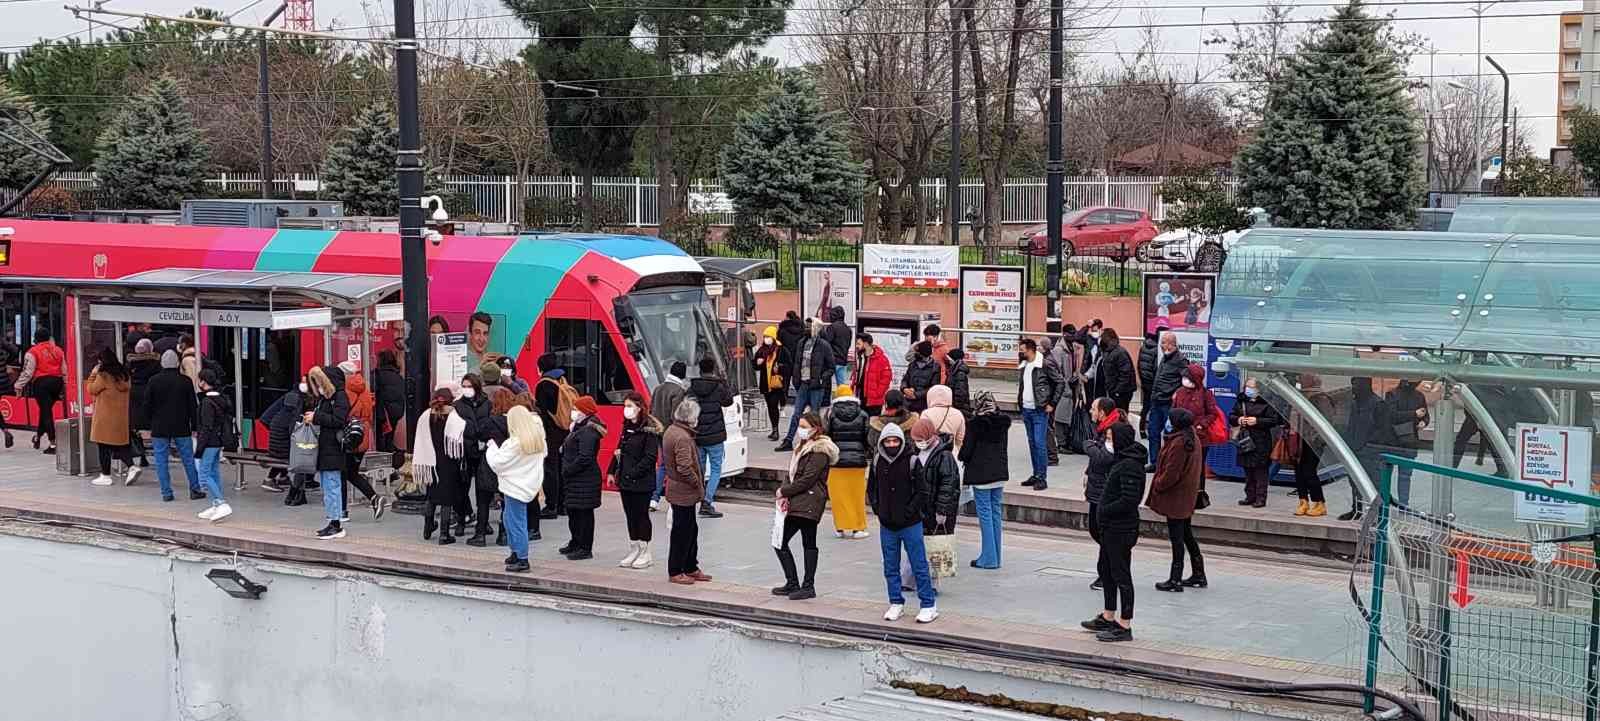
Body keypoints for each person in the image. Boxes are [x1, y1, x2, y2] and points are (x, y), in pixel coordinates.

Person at [868, 422, 938, 623]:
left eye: (895, 440)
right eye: (888, 441)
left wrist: (909, 511)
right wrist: (878, 509)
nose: (891, 444)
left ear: (901, 441)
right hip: (887, 524)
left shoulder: (913, 461)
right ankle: (896, 602)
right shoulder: (877, 462)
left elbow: (922, 491)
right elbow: (872, 488)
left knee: (919, 565)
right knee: (890, 566)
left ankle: (928, 604)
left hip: (910, 524)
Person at [1083, 421, 1145, 643]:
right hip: (1110, 528)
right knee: (1106, 570)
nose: (1107, 441)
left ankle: (1124, 623)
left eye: (1110, 437)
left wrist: (1104, 509)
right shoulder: (1121, 460)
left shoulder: (1130, 465)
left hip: (1121, 528)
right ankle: (1109, 615)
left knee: (1121, 574)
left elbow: (1129, 500)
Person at [775, 412, 836, 600]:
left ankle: (806, 585)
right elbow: (792, 474)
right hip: (800, 501)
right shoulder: (802, 447)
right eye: (799, 426)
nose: (800, 430)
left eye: (804, 426)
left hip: (809, 501)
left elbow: (807, 479)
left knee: (795, 542)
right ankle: (794, 583)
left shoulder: (820, 450)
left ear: (815, 428)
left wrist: (784, 492)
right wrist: (786, 490)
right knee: (784, 542)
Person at [1147, 407, 1205, 592]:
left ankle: (1175, 579)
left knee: (1177, 538)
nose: (1167, 423)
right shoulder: (1191, 438)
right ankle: (1198, 573)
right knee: (1186, 534)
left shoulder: (1179, 443)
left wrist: (1158, 484)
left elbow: (1172, 473)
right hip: (1186, 496)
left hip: (1176, 497)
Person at [487, 405, 548, 573]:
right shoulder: (536, 440)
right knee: (511, 519)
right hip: (527, 485)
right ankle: (515, 552)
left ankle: (522, 557)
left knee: (515, 522)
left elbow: (497, 462)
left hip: (513, 486)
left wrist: (492, 447)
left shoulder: (514, 443)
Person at [610, 392, 661, 569]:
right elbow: (619, 449)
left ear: (639, 408)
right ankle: (634, 547)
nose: (626, 410)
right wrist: (611, 471)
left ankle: (646, 551)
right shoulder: (627, 427)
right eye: (625, 406)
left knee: (641, 515)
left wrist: (632, 473)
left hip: (642, 482)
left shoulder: (649, 430)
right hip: (625, 481)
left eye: (630, 406)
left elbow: (650, 457)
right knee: (630, 515)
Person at [664, 397, 712, 584]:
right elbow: (684, 467)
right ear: (690, 418)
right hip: (683, 491)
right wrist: (697, 483)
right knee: (682, 531)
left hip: (680, 491)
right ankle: (676, 570)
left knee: (691, 529)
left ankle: (691, 566)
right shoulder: (682, 437)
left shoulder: (673, 430)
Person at [961, 391, 1011, 569]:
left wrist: (961, 457)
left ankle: (988, 558)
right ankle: (996, 555)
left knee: (985, 515)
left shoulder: (975, 424)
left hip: (981, 475)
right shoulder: (1003, 423)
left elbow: (966, 451)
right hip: (999, 474)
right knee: (996, 513)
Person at [146, 350, 202, 502]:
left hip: (159, 427)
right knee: (188, 459)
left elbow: (147, 406)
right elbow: (193, 406)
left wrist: (150, 422)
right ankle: (195, 489)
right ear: (177, 363)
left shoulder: (153, 381)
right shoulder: (185, 381)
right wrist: (195, 427)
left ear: (162, 363)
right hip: (181, 427)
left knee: (161, 461)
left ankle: (166, 493)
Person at [413, 388, 467, 543]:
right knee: (446, 499)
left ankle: (428, 527)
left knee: (431, 496)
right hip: (448, 463)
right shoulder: (453, 416)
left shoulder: (425, 415)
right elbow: (460, 437)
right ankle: (444, 534)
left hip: (430, 462)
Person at [304, 366, 352, 538]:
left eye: (320, 381)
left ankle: (335, 523)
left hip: (333, 448)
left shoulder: (339, 397)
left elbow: (339, 420)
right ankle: (332, 520)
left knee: (332, 486)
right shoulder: (327, 399)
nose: (318, 386)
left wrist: (316, 418)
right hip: (326, 448)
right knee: (328, 486)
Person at [911, 417, 960, 580]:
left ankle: (931, 581)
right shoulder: (917, 452)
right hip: (921, 508)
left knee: (934, 546)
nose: (918, 442)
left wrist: (941, 510)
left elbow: (948, 486)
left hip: (935, 508)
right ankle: (914, 578)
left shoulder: (944, 456)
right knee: (920, 545)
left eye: (920, 439)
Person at [1081, 397, 1123, 591]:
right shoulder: (1104, 428)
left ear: (1103, 412)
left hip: (1105, 490)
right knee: (1096, 530)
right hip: (1097, 487)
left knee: (1102, 533)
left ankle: (1106, 574)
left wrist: (1088, 446)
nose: (1091, 412)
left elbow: (1105, 457)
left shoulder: (1112, 430)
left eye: (1093, 409)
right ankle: (1109, 570)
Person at [339, 364, 388, 522]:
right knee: (351, 472)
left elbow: (343, 412)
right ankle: (374, 498)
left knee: (342, 473)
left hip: (349, 434)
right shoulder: (365, 388)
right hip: (363, 433)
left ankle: (342, 511)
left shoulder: (345, 389)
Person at [778, 318, 834, 452]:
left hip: (816, 385)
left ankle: (813, 441)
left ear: (815, 328)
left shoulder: (824, 345)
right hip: (803, 383)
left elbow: (831, 367)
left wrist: (821, 379)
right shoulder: (801, 343)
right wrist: (796, 379)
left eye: (809, 327)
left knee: (814, 415)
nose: (806, 329)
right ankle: (788, 440)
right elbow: (797, 363)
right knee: (797, 413)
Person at [688, 356, 735, 518]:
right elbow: (728, 402)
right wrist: (724, 383)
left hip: (698, 435)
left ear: (700, 370)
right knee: (716, 470)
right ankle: (707, 502)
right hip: (715, 436)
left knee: (699, 469)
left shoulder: (693, 387)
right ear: (713, 369)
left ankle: (699, 497)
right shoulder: (719, 386)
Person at [560, 395, 605, 560]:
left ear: (584, 411)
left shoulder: (588, 431)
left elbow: (585, 457)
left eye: (576, 409)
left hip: (584, 479)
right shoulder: (579, 427)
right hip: (576, 479)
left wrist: (568, 470)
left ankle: (585, 547)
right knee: (574, 512)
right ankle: (575, 542)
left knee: (584, 514)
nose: (573, 412)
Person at [87, 348, 139, 487]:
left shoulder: (103, 375)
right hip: (120, 418)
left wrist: (93, 373)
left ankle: (105, 475)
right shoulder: (124, 375)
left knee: (103, 446)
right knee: (118, 446)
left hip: (104, 418)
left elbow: (91, 389)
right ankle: (132, 467)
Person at [1228, 377, 1283, 508]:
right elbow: (1231, 416)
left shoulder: (1268, 403)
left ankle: (1260, 498)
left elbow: (1274, 420)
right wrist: (1239, 419)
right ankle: (1249, 496)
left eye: (1252, 387)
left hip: (1261, 440)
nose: (1249, 389)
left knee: (1260, 471)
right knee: (1248, 470)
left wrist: (1257, 421)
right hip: (1245, 439)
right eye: (1247, 386)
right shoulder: (1241, 400)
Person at [1017, 338, 1063, 490]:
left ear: (1030, 350)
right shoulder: (1025, 365)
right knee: (1032, 443)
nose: (1020, 352)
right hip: (1027, 409)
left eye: (1022, 349)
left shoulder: (1044, 364)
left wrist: (1052, 403)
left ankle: (1042, 477)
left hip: (1039, 410)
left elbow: (1060, 382)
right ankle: (1036, 474)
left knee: (1039, 443)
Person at [453, 372, 494, 542]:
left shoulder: (488, 404)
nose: (466, 389)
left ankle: (482, 525)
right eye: (464, 386)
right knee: (462, 488)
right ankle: (461, 520)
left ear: (476, 387)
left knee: (483, 491)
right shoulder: (458, 405)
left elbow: (491, 423)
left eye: (469, 386)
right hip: (465, 451)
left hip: (484, 452)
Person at [193, 369, 235, 523]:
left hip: (209, 442)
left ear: (203, 382)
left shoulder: (206, 402)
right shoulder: (222, 398)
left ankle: (220, 502)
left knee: (203, 474)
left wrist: (199, 449)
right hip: (219, 441)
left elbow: (206, 427)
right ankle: (216, 504)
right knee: (214, 472)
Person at [1291, 374, 1335, 518]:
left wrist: (1316, 440)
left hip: (1312, 441)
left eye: (1303, 378)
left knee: (1309, 471)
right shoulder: (1298, 396)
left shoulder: (1321, 398)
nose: (1300, 381)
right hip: (1298, 439)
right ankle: (1303, 501)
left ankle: (1319, 502)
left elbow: (1326, 421)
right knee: (1298, 471)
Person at [16, 327, 66, 454]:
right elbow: (64, 369)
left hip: (41, 384)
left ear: (36, 338)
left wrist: (19, 385)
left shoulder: (32, 351)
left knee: (46, 412)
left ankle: (53, 444)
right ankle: (37, 437)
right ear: (49, 337)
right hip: (57, 383)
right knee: (45, 411)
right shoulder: (58, 350)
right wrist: (65, 385)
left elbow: (28, 372)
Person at [1383, 379, 1431, 506]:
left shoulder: (1417, 396)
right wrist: (1415, 415)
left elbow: (1426, 415)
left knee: (1393, 475)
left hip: (1401, 441)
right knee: (1402, 476)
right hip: (1400, 441)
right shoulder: (1394, 394)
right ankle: (1401, 504)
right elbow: (1391, 416)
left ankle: (1398, 504)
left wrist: (1424, 422)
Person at [648, 360, 689, 509]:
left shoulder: (658, 389)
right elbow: (675, 416)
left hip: (657, 432)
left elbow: (651, 411)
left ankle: (654, 497)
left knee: (662, 465)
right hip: (670, 434)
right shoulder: (678, 391)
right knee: (670, 466)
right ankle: (659, 497)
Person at [1145, 332, 1187, 472]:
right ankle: (1154, 463)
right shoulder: (1165, 358)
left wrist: (1176, 393)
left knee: (1169, 435)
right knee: (1153, 432)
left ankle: (1168, 464)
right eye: (1162, 342)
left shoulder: (1180, 360)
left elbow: (1186, 380)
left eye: (1167, 343)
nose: (1164, 346)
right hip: (1156, 401)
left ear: (1174, 344)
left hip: (1168, 403)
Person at [1344, 377, 1382, 521]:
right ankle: (1356, 509)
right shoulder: (1355, 404)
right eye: (1353, 384)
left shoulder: (1378, 403)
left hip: (1369, 451)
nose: (1353, 388)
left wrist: (1369, 445)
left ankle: (1376, 513)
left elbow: (1382, 429)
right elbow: (1351, 425)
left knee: (1374, 482)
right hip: (1354, 449)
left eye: (1356, 384)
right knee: (1354, 481)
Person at [260, 376, 303, 494]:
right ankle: (269, 478)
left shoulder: (281, 412)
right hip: (280, 450)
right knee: (298, 452)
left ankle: (283, 477)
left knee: (285, 449)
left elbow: (265, 418)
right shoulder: (293, 412)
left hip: (275, 448)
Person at [126, 338, 161, 468]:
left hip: (134, 394)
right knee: (154, 427)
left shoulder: (130, 363)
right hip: (151, 395)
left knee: (135, 427)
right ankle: (159, 456)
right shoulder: (156, 363)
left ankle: (142, 455)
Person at [1086, 328, 1136, 412]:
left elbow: (1125, 374)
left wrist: (1117, 392)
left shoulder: (1119, 352)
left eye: (1101, 336)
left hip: (1120, 394)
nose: (1099, 338)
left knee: (1118, 416)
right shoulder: (1105, 351)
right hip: (1111, 392)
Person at [1171, 361, 1219, 449]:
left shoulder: (1205, 394)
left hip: (1198, 436)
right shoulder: (1179, 392)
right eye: (1184, 377)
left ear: (1195, 380)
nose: (1184, 380)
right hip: (1179, 435)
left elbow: (1212, 413)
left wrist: (1201, 425)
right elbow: (1173, 410)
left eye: (1187, 378)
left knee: (1198, 461)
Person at [753, 328, 787, 441]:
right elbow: (755, 365)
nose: (766, 339)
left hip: (777, 384)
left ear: (773, 337)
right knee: (770, 407)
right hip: (765, 384)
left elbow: (789, 364)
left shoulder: (780, 349)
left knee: (773, 405)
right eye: (764, 337)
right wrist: (758, 363)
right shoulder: (762, 350)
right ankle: (774, 429)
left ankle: (776, 430)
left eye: (768, 337)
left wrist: (780, 368)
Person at [850, 333, 892, 416]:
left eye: (858, 343)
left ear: (865, 344)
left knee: (872, 425)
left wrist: (877, 393)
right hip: (859, 397)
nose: (856, 346)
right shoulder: (859, 357)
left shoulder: (881, 359)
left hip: (874, 401)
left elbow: (887, 378)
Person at [372, 350, 406, 452]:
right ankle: (390, 457)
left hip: (382, 412)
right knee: (389, 437)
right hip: (396, 412)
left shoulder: (377, 375)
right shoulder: (398, 377)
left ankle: (382, 459)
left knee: (379, 438)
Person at [919, 384, 966, 450]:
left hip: (931, 454)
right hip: (951, 454)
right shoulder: (958, 414)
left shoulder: (926, 413)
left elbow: (922, 437)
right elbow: (960, 440)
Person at [901, 341, 941, 413]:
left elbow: (933, 388)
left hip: (924, 406)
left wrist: (916, 395)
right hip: (907, 404)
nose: (915, 354)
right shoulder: (912, 364)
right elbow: (905, 379)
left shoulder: (935, 367)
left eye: (918, 352)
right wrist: (905, 389)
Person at [1137, 328, 1162, 436]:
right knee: (1154, 407)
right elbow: (1155, 368)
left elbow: (1139, 365)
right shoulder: (1157, 350)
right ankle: (1151, 429)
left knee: (1146, 406)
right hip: (1153, 383)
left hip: (1145, 382)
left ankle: (1142, 428)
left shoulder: (1144, 346)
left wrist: (1143, 379)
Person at [822, 306, 852, 386]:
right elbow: (848, 344)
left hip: (832, 360)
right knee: (842, 385)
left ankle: (828, 399)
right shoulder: (848, 329)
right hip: (843, 360)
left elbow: (826, 343)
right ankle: (842, 398)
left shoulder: (832, 327)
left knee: (827, 385)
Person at [945, 348, 972, 414]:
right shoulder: (955, 369)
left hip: (959, 408)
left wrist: (955, 408)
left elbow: (960, 392)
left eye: (949, 358)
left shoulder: (959, 372)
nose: (948, 360)